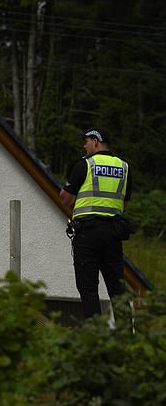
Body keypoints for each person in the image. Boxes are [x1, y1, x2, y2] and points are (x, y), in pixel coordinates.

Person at [59, 127, 132, 319]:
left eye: (86, 141)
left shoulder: (85, 165)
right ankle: (127, 338)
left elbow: (65, 199)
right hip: (113, 233)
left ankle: (95, 337)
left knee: (89, 289)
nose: (84, 146)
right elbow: (125, 202)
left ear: (96, 142)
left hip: (88, 233)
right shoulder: (123, 167)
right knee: (117, 289)